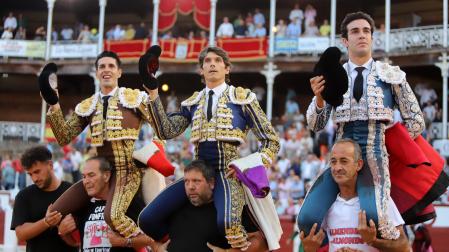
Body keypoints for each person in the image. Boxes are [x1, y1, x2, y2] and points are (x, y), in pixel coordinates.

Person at [139, 46, 281, 250]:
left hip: (227, 173)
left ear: (227, 68)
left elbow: (271, 140)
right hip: (198, 171)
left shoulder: (242, 99)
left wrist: (248, 166)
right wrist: (153, 92)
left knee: (230, 225)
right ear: (201, 70)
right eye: (207, 61)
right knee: (147, 218)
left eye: (217, 60)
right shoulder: (192, 103)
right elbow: (166, 131)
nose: (212, 64)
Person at [302, 11, 424, 240]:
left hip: (375, 154)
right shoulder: (332, 76)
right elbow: (315, 124)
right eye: (355, 31)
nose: (362, 36)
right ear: (345, 41)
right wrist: (318, 98)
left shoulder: (390, 75)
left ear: (372, 37)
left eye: (366, 31)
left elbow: (416, 120)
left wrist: (388, 144)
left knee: (374, 219)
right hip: (340, 156)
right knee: (306, 219)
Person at [44, 51, 172, 239]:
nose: (106, 70)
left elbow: (162, 126)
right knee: (54, 212)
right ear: (96, 72)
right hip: (100, 173)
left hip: (127, 170)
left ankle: (149, 244)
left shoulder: (134, 98)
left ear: (119, 72)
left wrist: (155, 150)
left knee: (114, 216)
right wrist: (54, 104)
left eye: (111, 66)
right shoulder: (89, 105)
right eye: (102, 67)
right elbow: (63, 136)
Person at [300, 139, 410, 252]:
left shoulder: (378, 200)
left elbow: (405, 247)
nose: (337, 168)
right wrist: (309, 250)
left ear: (358, 165)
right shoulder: (324, 205)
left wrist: (373, 241)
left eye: (344, 161)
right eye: (333, 161)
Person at [150, 160, 268, 252]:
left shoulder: (230, 206)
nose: (190, 186)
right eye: (186, 181)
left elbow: (261, 242)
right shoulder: (174, 205)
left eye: (196, 181)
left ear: (211, 183)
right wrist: (156, 247)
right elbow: (149, 233)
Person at [57, 157, 154, 251]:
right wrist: (63, 233)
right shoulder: (83, 205)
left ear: (106, 176)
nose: (86, 181)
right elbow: (75, 243)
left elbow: (151, 239)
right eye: (84, 176)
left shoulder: (127, 202)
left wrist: (123, 242)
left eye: (91, 175)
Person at [11, 145, 77, 252]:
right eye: (30, 174)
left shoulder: (72, 191)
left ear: (50, 165)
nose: (34, 178)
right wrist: (46, 222)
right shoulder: (24, 196)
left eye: (37, 172)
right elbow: (20, 234)